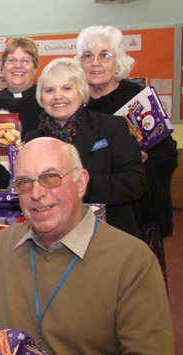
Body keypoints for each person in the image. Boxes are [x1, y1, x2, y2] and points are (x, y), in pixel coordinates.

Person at [0, 137, 175, 355]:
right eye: (24, 183)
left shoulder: (132, 261)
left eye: (51, 177)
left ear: (81, 183)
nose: (37, 193)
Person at [77, 25, 178, 285]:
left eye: (104, 55)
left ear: (118, 60)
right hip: (88, 212)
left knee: (141, 288)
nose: (95, 63)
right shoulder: (76, 102)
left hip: (138, 212)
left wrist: (143, 159)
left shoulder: (139, 98)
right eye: (88, 56)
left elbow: (168, 157)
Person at [25, 58, 146, 240]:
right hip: (55, 237)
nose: (58, 96)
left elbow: (135, 182)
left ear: (81, 91)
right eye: (50, 90)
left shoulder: (112, 126)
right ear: (41, 98)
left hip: (109, 234)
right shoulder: (33, 139)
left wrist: (77, 185)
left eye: (67, 88)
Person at [0, 37, 43, 140]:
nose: (18, 65)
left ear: (35, 68)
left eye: (25, 60)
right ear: (3, 67)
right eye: (12, 60)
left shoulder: (45, 100)